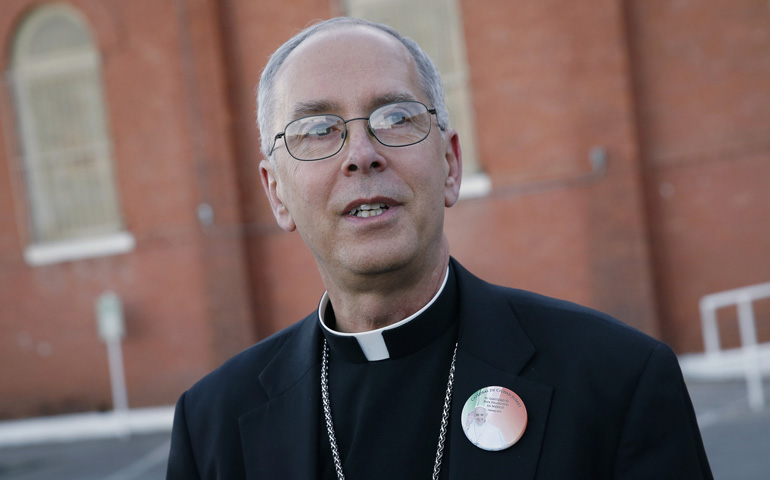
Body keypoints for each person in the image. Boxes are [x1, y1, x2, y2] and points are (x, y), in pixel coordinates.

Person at [166, 16, 713, 479]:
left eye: (397, 118)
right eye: (317, 129)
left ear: (450, 165)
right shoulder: (211, 424)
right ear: (276, 192)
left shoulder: (616, 380)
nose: (361, 154)